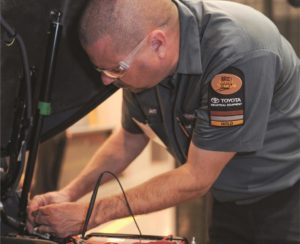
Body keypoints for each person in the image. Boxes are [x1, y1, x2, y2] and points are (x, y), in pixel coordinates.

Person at [27, 0, 300, 243]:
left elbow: (197, 176)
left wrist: (91, 214)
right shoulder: (143, 64)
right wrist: (69, 193)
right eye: (102, 68)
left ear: (158, 43)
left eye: (115, 68)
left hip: (286, 197)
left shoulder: (235, 54)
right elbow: (128, 139)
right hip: (226, 198)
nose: (106, 80)